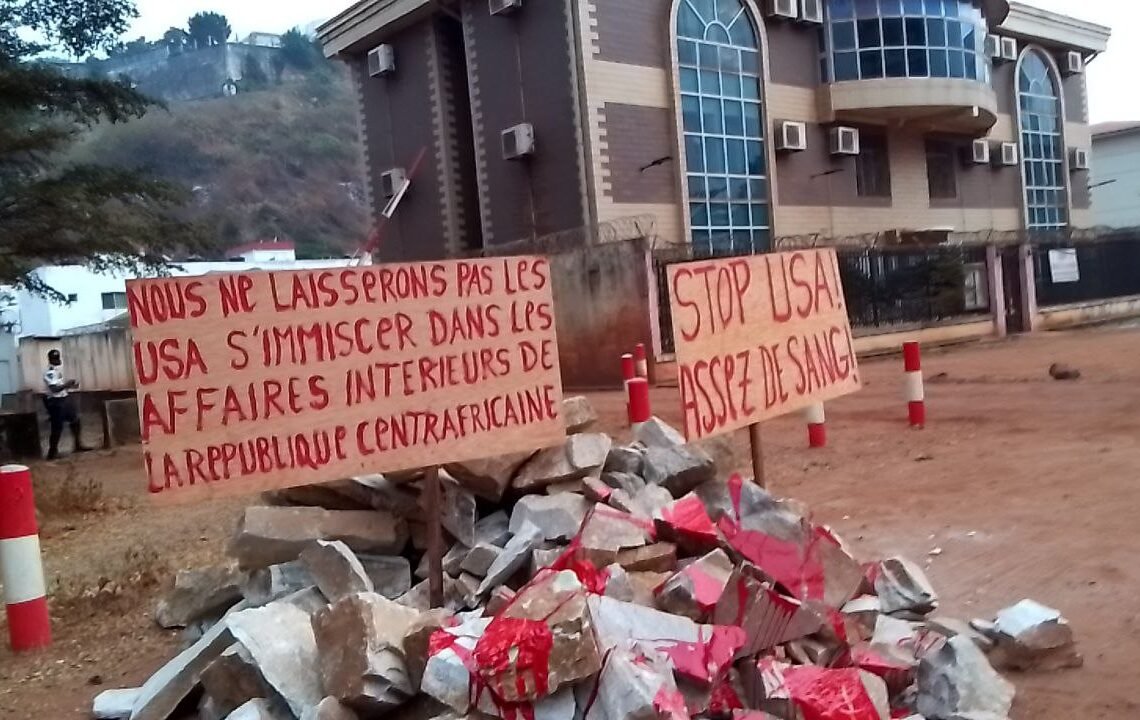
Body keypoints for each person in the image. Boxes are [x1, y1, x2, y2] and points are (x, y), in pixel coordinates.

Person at [42, 349, 91, 460]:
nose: (59, 360)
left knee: (75, 420)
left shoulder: (57, 371)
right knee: (57, 427)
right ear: (51, 360)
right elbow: (54, 389)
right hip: (55, 402)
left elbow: (61, 386)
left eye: (58, 357)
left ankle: (78, 444)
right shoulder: (49, 373)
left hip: (64, 399)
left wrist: (71, 385)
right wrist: (67, 384)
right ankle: (52, 452)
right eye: (56, 358)